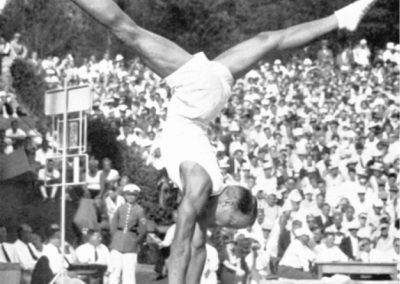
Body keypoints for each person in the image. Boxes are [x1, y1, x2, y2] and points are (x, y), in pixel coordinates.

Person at [69, 0, 378, 283]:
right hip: (197, 96)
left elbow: (198, 248)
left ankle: (340, 18)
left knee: (268, 40)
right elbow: (180, 247)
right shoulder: (200, 186)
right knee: (125, 29)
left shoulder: (211, 192)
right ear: (228, 201)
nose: (224, 228)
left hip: (211, 96)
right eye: (229, 223)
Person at [109, 184, 146, 284]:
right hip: (117, 241)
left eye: (133, 195)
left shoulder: (139, 210)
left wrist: (135, 241)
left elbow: (142, 230)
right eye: (128, 195)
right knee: (114, 270)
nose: (130, 197)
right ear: (125, 196)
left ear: (137, 197)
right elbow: (114, 223)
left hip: (131, 242)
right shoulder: (120, 208)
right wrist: (115, 236)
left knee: (128, 273)